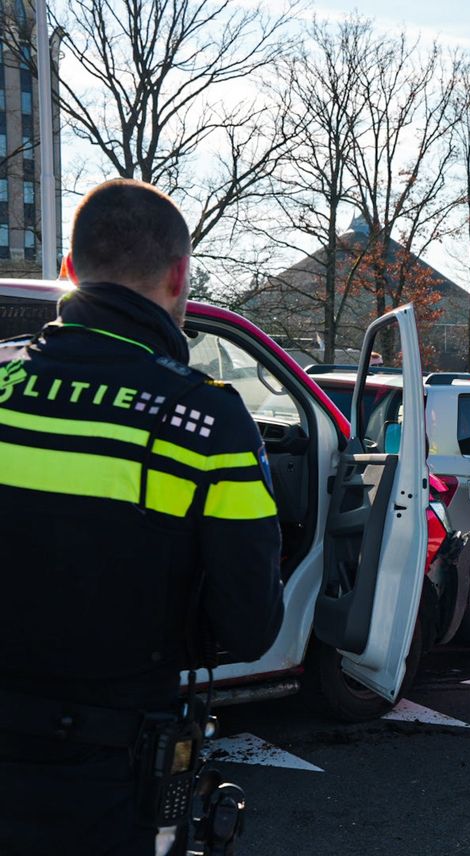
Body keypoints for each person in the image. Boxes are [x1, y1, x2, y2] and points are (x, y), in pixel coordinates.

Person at [0, 179, 284, 855]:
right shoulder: (205, 418)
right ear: (181, 274)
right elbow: (250, 626)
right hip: (106, 773)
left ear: (68, 271)